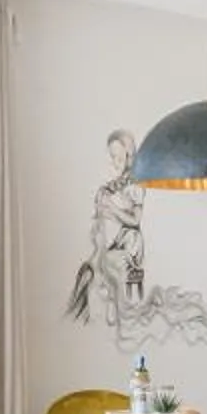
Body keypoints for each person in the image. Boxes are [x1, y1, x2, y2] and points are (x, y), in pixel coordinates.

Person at [64, 129, 148, 326]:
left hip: (130, 240)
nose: (114, 163)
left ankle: (112, 294)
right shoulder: (113, 186)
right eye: (112, 158)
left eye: (118, 158)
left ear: (129, 158)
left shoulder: (136, 185)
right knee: (98, 252)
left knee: (107, 258)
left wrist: (112, 208)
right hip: (112, 239)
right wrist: (104, 203)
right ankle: (101, 287)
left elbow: (135, 221)